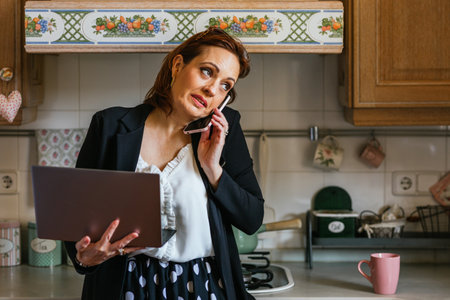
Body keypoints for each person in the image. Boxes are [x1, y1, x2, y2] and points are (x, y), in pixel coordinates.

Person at [65, 27, 264, 300]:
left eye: (225, 85)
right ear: (178, 64)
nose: (212, 89)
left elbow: (252, 219)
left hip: (203, 286)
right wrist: (84, 258)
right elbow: (76, 218)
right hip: (124, 285)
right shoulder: (110, 127)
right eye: (207, 71)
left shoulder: (224, 132)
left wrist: (213, 168)